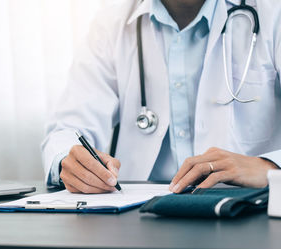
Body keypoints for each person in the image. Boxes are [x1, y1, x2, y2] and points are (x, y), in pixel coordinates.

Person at [41, 0, 281, 194]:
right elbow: (70, 128)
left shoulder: (273, 15)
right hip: (140, 215)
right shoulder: (111, 24)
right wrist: (69, 161)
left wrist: (269, 166)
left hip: (248, 207)